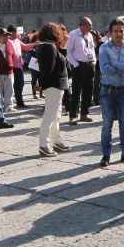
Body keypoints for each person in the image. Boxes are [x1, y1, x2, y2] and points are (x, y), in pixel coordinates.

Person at [98, 18, 124, 167]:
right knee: (107, 124)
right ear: (110, 33)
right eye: (115, 31)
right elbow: (104, 69)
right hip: (107, 90)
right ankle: (106, 155)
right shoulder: (104, 48)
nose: (119, 34)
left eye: (121, 31)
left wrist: (114, 64)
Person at [35, 23, 71, 158]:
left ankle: (56, 140)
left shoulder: (47, 46)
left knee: (56, 115)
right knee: (50, 116)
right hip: (53, 86)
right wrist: (42, 84)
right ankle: (44, 144)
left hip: (55, 85)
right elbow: (48, 69)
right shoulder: (48, 47)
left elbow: (57, 61)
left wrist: (62, 46)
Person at [66, 17, 97, 125]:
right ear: (83, 25)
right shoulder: (73, 34)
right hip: (79, 66)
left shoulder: (89, 35)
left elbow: (92, 49)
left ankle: (84, 114)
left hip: (90, 65)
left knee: (88, 91)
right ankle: (73, 115)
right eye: (89, 25)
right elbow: (68, 51)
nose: (91, 28)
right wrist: (75, 64)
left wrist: (94, 60)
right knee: (76, 91)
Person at [6, 25, 37, 109]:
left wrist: (35, 43)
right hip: (13, 67)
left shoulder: (16, 40)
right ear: (12, 32)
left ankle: (19, 101)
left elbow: (25, 47)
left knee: (20, 85)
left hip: (19, 66)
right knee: (16, 85)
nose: (18, 33)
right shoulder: (8, 41)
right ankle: (17, 102)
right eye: (16, 31)